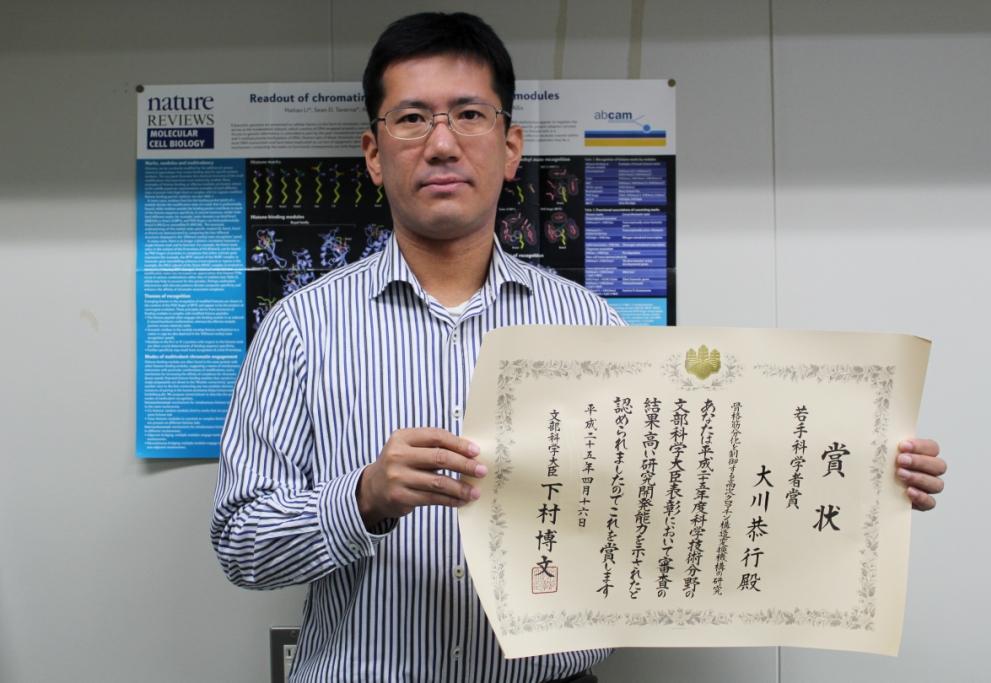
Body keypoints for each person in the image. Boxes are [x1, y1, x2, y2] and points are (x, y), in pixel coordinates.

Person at [211, 11, 947, 683]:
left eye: (469, 114)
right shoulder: (300, 328)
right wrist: (363, 498)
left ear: (510, 147)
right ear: (374, 154)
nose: (441, 143)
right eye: (411, 118)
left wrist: (863, 476)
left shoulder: (588, 324)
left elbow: (681, 496)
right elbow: (240, 543)